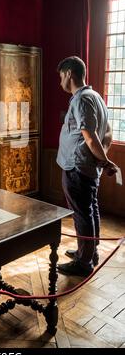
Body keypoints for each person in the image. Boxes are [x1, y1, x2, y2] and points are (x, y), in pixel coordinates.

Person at [56, 56, 118, 277]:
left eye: (61, 76)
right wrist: (102, 159)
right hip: (88, 166)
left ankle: (83, 263)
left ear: (69, 74)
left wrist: (103, 160)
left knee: (82, 213)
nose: (60, 81)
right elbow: (108, 133)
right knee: (90, 210)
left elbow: (91, 137)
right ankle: (89, 252)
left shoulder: (82, 99)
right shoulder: (96, 97)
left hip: (78, 167)